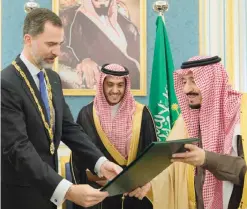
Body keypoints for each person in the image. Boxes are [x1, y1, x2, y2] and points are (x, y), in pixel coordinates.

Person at [1, 8, 123, 209]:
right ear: (28, 39)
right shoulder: (6, 83)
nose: (57, 52)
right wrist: (67, 190)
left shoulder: (52, 79)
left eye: (60, 44)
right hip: (20, 196)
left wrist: (101, 163)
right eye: (50, 44)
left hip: (49, 195)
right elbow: (18, 148)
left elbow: (69, 128)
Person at [150, 56, 247, 209]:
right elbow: (169, 172)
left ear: (212, 81)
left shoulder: (242, 114)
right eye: (184, 82)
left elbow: (243, 170)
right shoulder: (185, 121)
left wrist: (206, 159)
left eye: (194, 81)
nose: (187, 89)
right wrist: (147, 186)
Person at [70, 63, 156, 209]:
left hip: (134, 195)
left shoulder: (142, 114)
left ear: (126, 86)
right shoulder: (87, 114)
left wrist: (145, 182)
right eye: (110, 84)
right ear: (102, 84)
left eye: (120, 85)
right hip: (99, 196)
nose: (115, 90)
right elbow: (78, 159)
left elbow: (152, 156)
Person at [59, 0, 140, 89]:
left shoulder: (124, 22)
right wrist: (84, 60)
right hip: (109, 81)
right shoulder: (74, 17)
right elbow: (64, 47)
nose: (102, 3)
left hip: (134, 79)